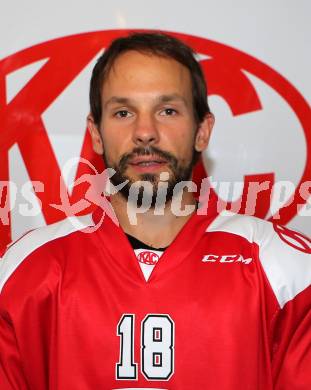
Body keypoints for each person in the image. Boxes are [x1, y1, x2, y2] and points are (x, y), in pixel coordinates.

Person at [0, 32, 310, 389]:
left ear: (202, 131)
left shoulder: (286, 272)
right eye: (123, 112)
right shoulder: (25, 271)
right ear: (96, 133)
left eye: (167, 110)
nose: (145, 132)